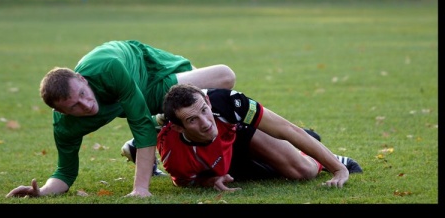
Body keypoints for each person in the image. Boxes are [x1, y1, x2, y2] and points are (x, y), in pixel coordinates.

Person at [5, 40, 236, 199]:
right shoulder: (65, 127)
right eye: (75, 105)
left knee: (223, 79)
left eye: (83, 94)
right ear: (62, 113)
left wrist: (140, 188)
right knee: (169, 118)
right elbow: (65, 173)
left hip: (148, 73)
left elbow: (141, 125)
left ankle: (155, 132)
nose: (87, 105)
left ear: (82, 79)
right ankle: (157, 133)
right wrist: (43, 191)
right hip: (133, 96)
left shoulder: (108, 69)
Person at [152, 84, 362, 191]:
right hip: (223, 162)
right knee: (264, 175)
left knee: (303, 171)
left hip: (239, 134)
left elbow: (287, 129)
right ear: (179, 128)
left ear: (207, 100)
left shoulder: (227, 101)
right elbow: (182, 181)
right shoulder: (172, 152)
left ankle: (329, 157)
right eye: (192, 120)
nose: (206, 122)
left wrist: (338, 169)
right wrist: (210, 181)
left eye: (204, 110)